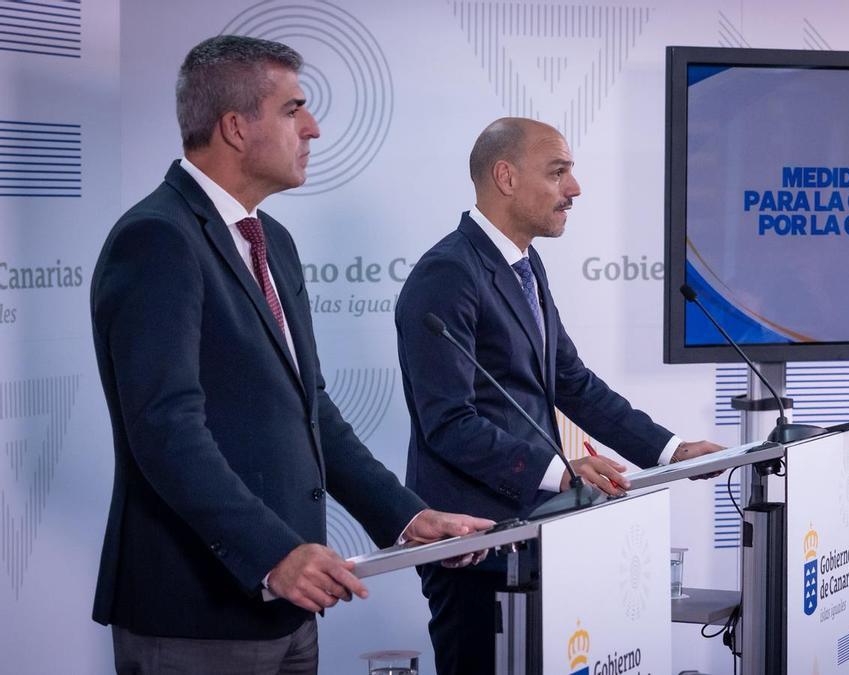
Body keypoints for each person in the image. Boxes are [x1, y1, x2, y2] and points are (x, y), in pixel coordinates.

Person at [90, 35, 492, 674]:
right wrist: (274, 555)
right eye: (293, 109)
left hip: (285, 604)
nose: (314, 128)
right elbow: (166, 433)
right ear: (234, 127)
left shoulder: (269, 239)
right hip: (197, 612)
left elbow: (314, 415)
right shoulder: (156, 239)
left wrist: (408, 517)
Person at [395, 116, 724, 674]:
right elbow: (448, 423)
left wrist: (670, 451)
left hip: (538, 530)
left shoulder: (524, 262)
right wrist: (562, 471)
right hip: (476, 541)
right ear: (505, 176)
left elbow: (568, 380)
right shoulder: (447, 274)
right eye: (558, 172)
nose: (575, 189)